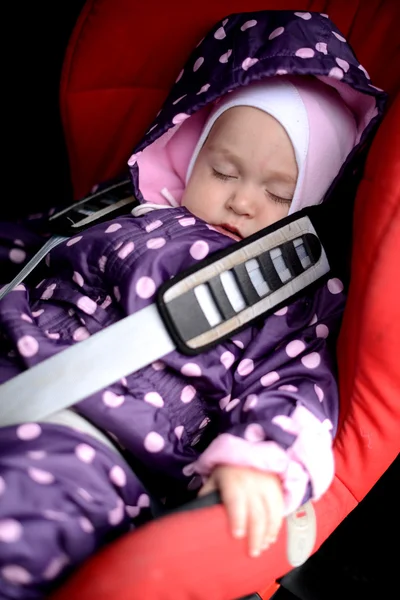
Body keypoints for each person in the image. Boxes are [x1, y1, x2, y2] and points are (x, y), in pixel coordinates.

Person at [0, 10, 384, 599]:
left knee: (20, 515)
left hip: (99, 448)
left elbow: (299, 390)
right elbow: (30, 247)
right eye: (222, 170)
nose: (242, 200)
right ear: (189, 155)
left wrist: (259, 457)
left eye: (281, 192)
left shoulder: (291, 299)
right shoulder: (121, 215)